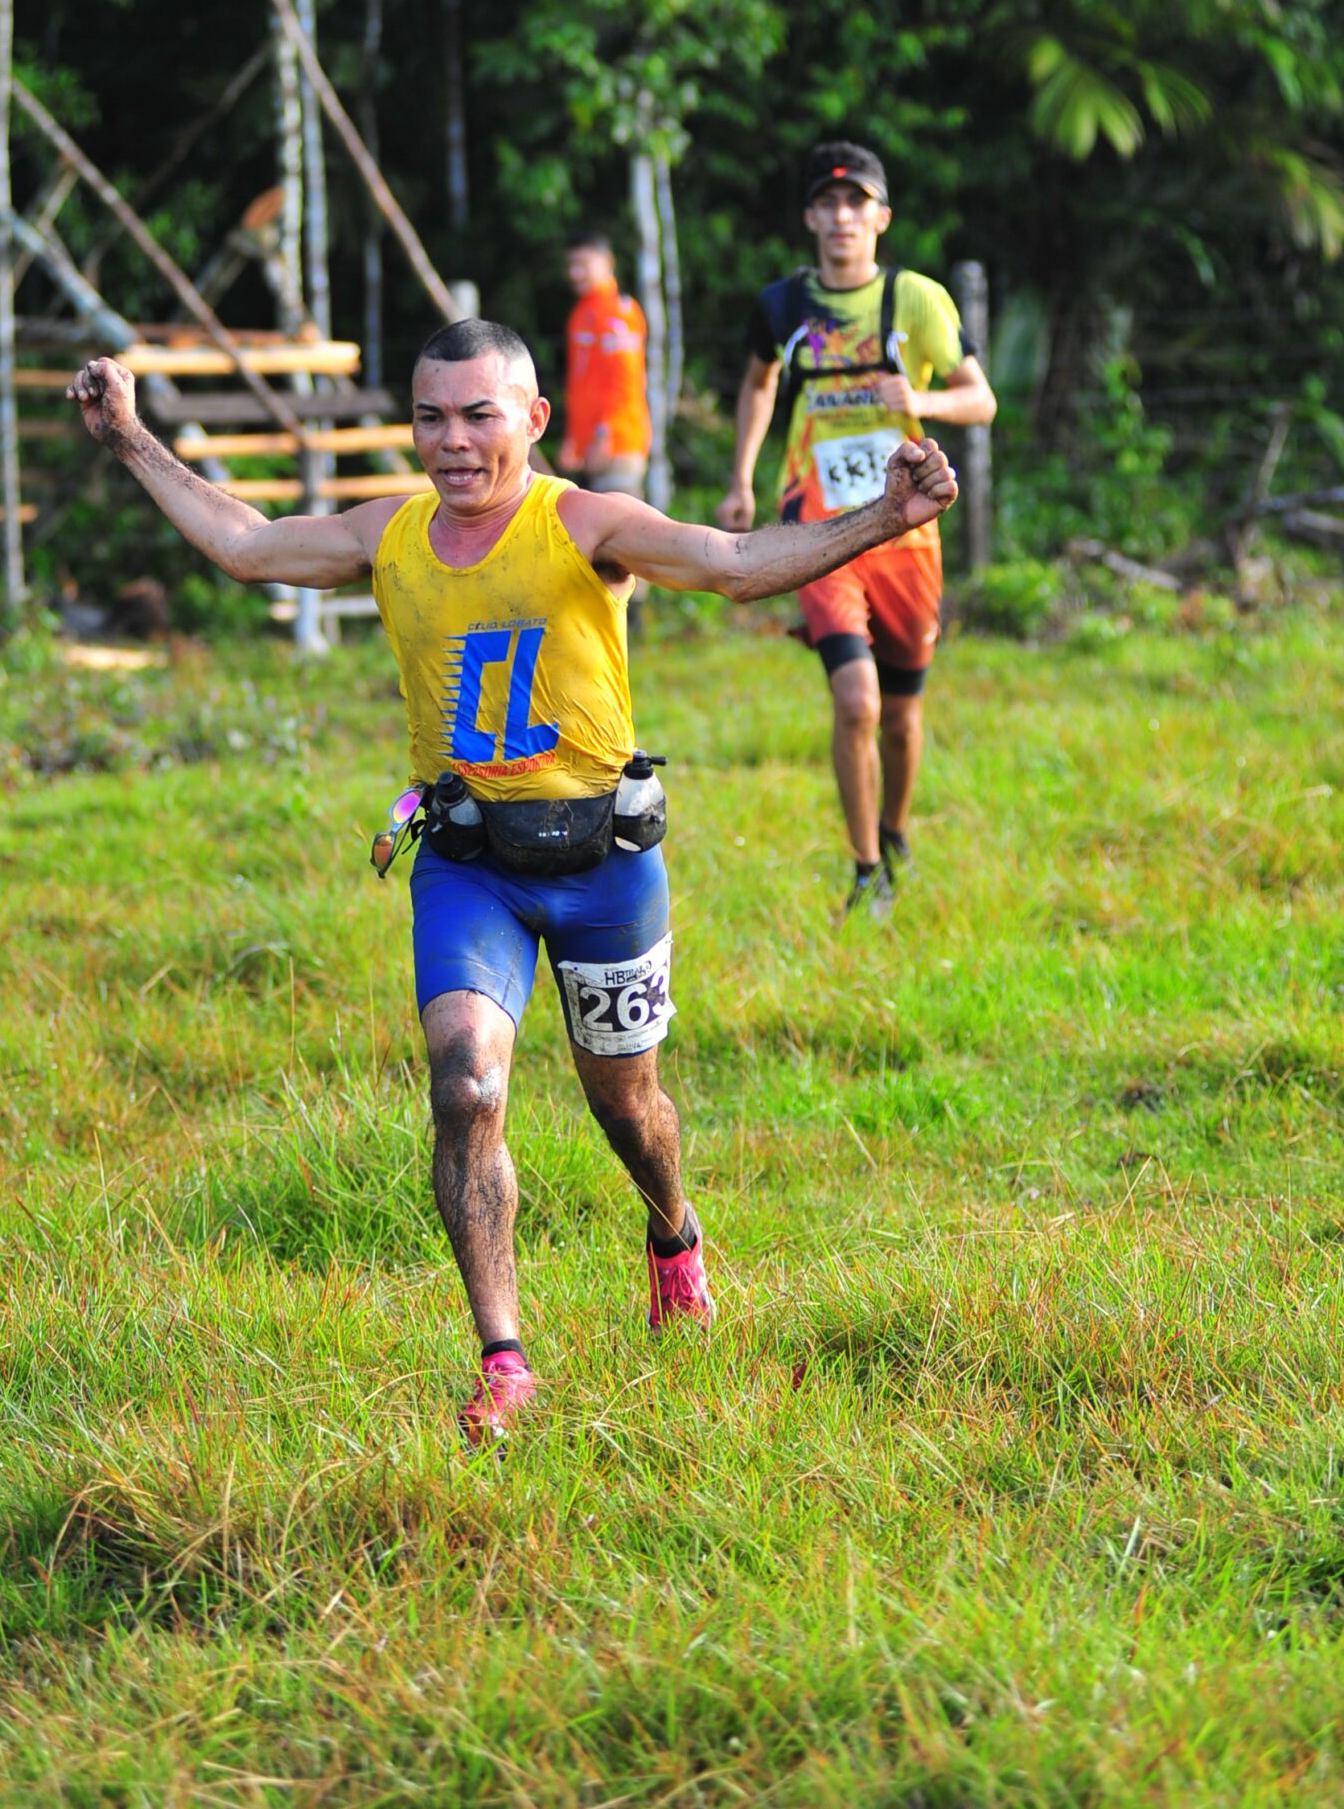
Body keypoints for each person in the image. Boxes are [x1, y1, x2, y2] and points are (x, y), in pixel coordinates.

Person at [69, 320, 957, 1442]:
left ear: (532, 420)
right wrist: (129, 436)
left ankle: (674, 1235)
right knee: (465, 1089)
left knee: (626, 1105)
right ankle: (504, 1361)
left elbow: (732, 567)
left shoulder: (583, 524)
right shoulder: (389, 535)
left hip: (604, 866)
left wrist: (883, 517)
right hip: (467, 863)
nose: (452, 441)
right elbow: (246, 544)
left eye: (478, 414)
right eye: (430, 416)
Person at [716, 142, 996, 918]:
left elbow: (980, 400)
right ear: (809, 218)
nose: (841, 217)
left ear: (881, 217)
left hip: (907, 532)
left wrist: (920, 401)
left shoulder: (916, 300)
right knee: (857, 702)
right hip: (819, 526)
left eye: (856, 202)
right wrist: (740, 479)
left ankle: (894, 836)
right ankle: (865, 868)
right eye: (827, 203)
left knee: (900, 717)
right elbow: (757, 384)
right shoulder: (781, 306)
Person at [558, 235, 651, 495]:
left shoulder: (618, 312)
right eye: (571, 265)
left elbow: (625, 380)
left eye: (583, 264)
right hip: (592, 449)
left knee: (621, 518)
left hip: (616, 445)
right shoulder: (582, 312)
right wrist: (574, 439)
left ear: (608, 262)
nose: (575, 273)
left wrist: (604, 434)